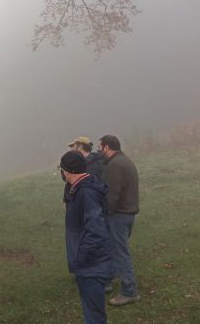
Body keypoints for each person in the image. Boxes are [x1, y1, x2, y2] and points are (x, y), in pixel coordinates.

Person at [60, 151, 114, 324]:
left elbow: (96, 232)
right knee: (92, 313)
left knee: (94, 317)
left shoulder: (86, 193)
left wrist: (80, 257)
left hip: (91, 266)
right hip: (88, 266)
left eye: (60, 168)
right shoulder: (79, 190)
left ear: (67, 170)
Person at [99, 135, 140, 306]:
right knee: (115, 249)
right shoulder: (126, 161)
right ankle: (110, 277)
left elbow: (111, 196)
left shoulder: (114, 166)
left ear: (107, 147)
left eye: (100, 147)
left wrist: (103, 214)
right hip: (128, 214)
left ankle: (129, 291)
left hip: (119, 216)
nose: (99, 151)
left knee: (120, 253)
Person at [64, 136, 105, 204]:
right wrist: (66, 199)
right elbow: (69, 183)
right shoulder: (74, 163)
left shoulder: (98, 163)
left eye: (73, 146)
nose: (71, 149)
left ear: (80, 147)